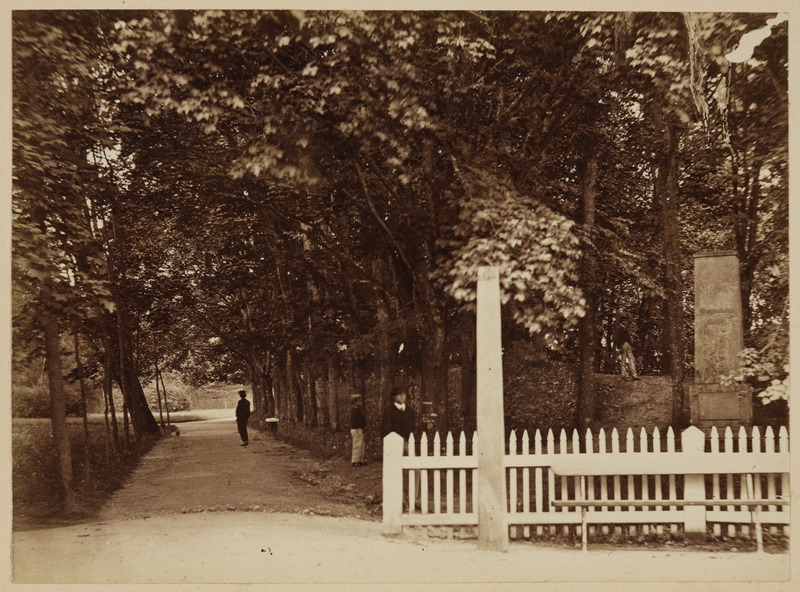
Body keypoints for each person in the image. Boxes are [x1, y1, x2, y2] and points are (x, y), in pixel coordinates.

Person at [381, 386, 420, 509]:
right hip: (394, 445)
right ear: (394, 397)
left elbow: (414, 428)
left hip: (409, 443)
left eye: (404, 394)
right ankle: (400, 500)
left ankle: (414, 499)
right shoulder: (388, 411)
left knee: (416, 469)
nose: (402, 397)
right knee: (397, 472)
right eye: (399, 394)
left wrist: (411, 441)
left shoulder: (410, 410)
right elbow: (385, 430)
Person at [350, 394, 366, 466]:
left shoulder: (358, 410)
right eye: (359, 401)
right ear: (355, 402)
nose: (361, 402)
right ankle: (355, 461)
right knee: (357, 444)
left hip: (359, 428)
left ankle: (360, 459)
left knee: (361, 444)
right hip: (356, 428)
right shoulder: (354, 410)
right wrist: (362, 425)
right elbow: (358, 420)